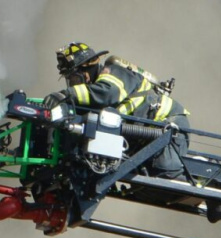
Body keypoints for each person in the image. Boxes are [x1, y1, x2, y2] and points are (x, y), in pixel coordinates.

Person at [43, 42, 190, 179]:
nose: (73, 85)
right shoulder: (94, 98)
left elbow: (108, 93)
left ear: (86, 70)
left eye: (74, 79)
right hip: (146, 137)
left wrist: (66, 94)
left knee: (164, 172)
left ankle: (196, 186)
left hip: (170, 126)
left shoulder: (112, 72)